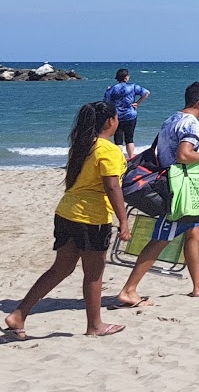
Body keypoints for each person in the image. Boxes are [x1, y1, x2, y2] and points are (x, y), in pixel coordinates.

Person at [3, 101, 132, 339]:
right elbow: (112, 187)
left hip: (66, 212)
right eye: (116, 118)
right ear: (109, 122)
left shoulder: (82, 145)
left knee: (60, 269)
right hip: (91, 217)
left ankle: (19, 314)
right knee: (93, 273)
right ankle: (95, 325)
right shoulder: (109, 150)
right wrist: (124, 222)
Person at [114, 81, 199, 306]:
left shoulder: (174, 118)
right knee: (162, 238)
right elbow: (184, 155)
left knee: (194, 228)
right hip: (175, 188)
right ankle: (129, 290)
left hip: (169, 181)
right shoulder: (190, 122)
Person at [104, 67, 150, 160]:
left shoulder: (112, 89)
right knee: (129, 138)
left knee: (118, 140)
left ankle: (118, 158)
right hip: (130, 115)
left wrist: (108, 90)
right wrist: (138, 103)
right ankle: (131, 157)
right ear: (126, 77)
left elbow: (106, 102)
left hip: (117, 116)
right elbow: (146, 93)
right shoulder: (132, 86)